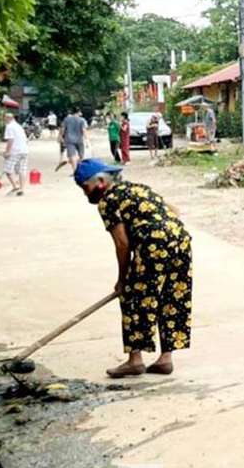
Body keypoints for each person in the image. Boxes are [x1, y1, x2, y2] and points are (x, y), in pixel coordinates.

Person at [74, 158, 192, 378]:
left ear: (100, 181)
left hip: (154, 245)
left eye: (85, 188)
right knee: (172, 297)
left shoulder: (108, 200)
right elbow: (174, 210)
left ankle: (135, 360)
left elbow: (122, 244)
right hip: (180, 241)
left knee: (133, 297)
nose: (85, 194)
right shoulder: (137, 188)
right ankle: (166, 359)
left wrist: (122, 280)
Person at [1, 112, 29, 195]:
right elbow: (25, 140)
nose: (4, 120)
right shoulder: (19, 126)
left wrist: (7, 152)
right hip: (24, 151)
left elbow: (10, 140)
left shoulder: (9, 127)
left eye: (5, 118)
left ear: (9, 118)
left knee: (7, 169)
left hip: (15, 151)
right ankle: (22, 189)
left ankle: (15, 186)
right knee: (22, 171)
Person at [61, 108, 88, 172]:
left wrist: (60, 137)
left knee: (72, 156)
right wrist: (86, 140)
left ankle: (75, 170)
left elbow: (63, 129)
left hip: (69, 140)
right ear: (78, 112)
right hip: (79, 139)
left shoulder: (66, 120)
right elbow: (84, 130)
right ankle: (79, 169)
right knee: (81, 156)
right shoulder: (82, 120)